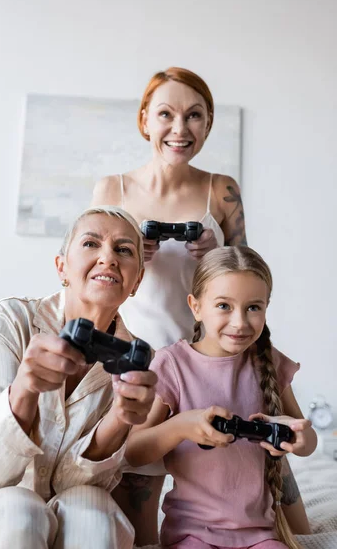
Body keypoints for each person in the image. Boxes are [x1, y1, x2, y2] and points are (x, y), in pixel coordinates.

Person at [91, 67, 310, 543]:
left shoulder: (222, 190)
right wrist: (132, 256)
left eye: (195, 116)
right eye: (166, 114)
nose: (180, 128)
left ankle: (288, 528)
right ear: (144, 118)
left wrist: (211, 251)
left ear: (208, 124)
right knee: (142, 499)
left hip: (216, 351)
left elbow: (245, 272)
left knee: (254, 448)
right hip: (143, 359)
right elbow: (95, 281)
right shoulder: (114, 191)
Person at [0, 206, 157, 549]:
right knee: (21, 509)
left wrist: (118, 420)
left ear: (137, 281)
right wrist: (24, 388)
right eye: (91, 244)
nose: (108, 258)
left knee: (93, 512)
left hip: (70, 505)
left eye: (123, 250)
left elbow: (71, 486)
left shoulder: (139, 363)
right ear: (62, 267)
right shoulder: (10, 320)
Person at [125, 246, 317, 549]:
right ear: (196, 306)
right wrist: (181, 427)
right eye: (224, 306)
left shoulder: (270, 362)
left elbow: (306, 438)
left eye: (253, 307)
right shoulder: (172, 365)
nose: (240, 322)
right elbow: (134, 452)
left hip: (260, 533)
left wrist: (300, 438)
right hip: (192, 534)